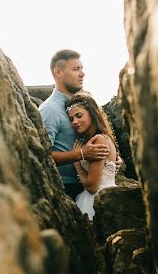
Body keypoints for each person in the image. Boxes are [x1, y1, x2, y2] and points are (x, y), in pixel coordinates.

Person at [38, 50, 111, 199]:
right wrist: (80, 154)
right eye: (76, 69)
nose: (82, 73)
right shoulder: (49, 110)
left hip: (85, 186)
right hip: (63, 189)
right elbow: (41, 154)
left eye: (81, 68)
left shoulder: (80, 104)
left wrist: (109, 161)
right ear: (58, 73)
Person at [66, 92, 118, 220]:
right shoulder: (101, 138)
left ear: (92, 114)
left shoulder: (99, 140)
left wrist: (77, 164)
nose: (75, 122)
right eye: (71, 119)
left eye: (79, 116)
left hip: (97, 199)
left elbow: (92, 187)